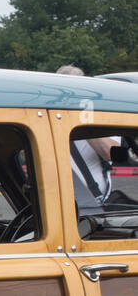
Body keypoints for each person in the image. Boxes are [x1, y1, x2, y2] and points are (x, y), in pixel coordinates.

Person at [57, 65, 121, 211]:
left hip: (94, 203)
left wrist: (83, 117)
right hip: (60, 204)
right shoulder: (49, 118)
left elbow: (111, 153)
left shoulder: (100, 118)